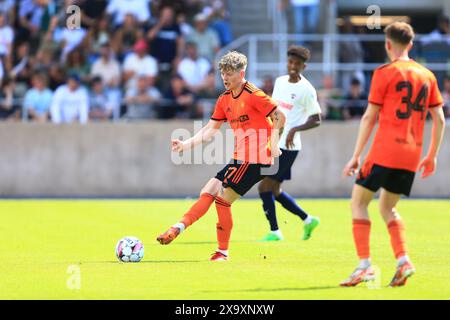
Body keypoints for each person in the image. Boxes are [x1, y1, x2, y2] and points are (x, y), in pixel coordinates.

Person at [341, 22, 445, 287]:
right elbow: (440, 119)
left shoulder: (384, 73)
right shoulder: (428, 76)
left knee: (358, 202)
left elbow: (369, 116)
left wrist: (356, 155)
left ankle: (364, 265)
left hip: (385, 150)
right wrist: (431, 155)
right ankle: (403, 261)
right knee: (388, 207)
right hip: (411, 154)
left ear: (388, 44)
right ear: (411, 44)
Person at [156, 51, 286, 261]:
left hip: (256, 159)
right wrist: (185, 144)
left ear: (241, 73)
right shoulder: (224, 99)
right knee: (208, 191)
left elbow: (280, 116)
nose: (225, 78)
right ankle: (177, 228)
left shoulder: (253, 94)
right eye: (223, 74)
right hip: (240, 159)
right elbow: (209, 130)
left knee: (222, 200)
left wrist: (275, 142)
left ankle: (222, 253)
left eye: (229, 74)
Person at [258, 46, 321, 242]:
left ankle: (275, 232)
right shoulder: (280, 82)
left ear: (304, 66)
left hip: (288, 147)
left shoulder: (307, 90)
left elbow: (317, 119)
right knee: (275, 190)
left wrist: (293, 130)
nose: (293, 66)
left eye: (297, 64)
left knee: (264, 187)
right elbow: (274, 109)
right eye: (290, 62)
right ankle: (308, 219)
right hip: (275, 142)